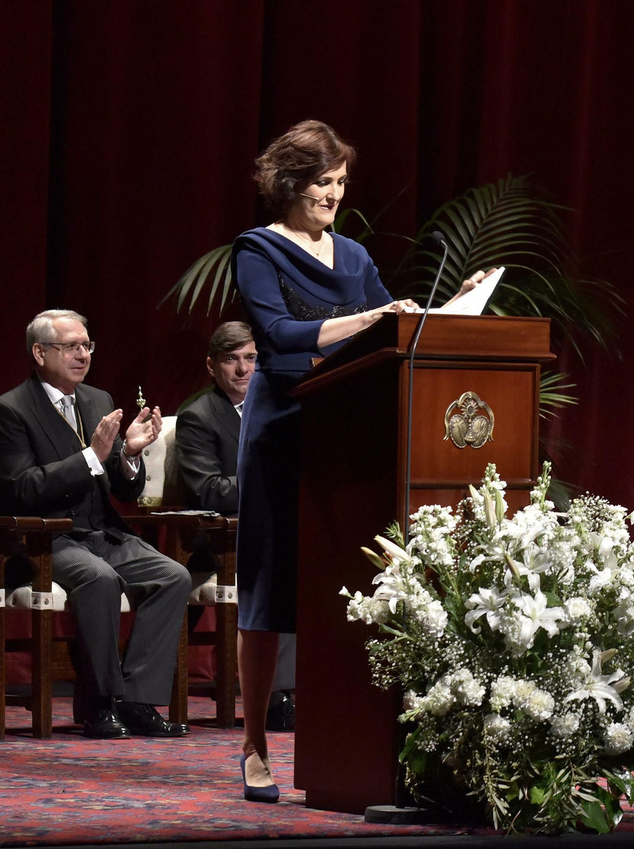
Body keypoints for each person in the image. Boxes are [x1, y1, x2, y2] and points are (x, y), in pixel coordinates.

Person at [231, 120, 488, 802]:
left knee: (346, 590)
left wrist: (445, 311)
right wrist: (374, 320)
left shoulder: (354, 255)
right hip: (282, 431)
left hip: (349, 435)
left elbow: (391, 333)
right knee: (268, 592)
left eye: (341, 184)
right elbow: (279, 336)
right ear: (290, 183)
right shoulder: (257, 250)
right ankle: (254, 744)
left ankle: (345, 742)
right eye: (323, 182)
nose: (334, 196)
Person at [0, 309, 191, 738]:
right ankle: (100, 704)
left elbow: (124, 490)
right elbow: (20, 489)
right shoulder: (10, 410)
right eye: (71, 347)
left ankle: (137, 700)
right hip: (45, 539)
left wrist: (130, 454)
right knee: (99, 580)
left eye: (86, 346)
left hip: (103, 532)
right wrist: (91, 458)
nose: (82, 355)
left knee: (173, 576)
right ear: (40, 353)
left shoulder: (97, 400)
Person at [175, 320, 296, 732]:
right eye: (232, 360)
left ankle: (300, 692)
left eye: (251, 359)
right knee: (278, 568)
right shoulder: (198, 416)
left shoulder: (284, 406)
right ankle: (277, 699)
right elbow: (208, 490)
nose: (243, 369)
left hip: (274, 529)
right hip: (220, 541)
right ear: (212, 366)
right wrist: (272, 484)